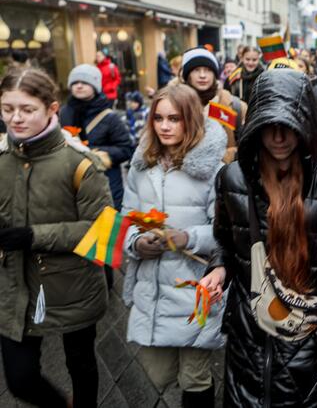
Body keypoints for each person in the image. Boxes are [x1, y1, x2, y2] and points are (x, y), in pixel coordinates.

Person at [200, 69, 317, 407]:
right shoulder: (233, 177)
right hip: (249, 340)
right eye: (268, 126)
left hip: (310, 339)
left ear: (306, 122)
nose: (278, 137)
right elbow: (224, 240)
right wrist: (219, 268)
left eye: (288, 126)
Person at [0, 67, 113, 408]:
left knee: (80, 364)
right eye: (7, 109)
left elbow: (103, 230)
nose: (16, 118)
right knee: (20, 380)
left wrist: (34, 235)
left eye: (27, 109)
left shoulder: (79, 163)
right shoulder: (2, 161)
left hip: (74, 285)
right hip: (14, 286)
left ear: (51, 109)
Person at [121, 83, 227, 407]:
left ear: (191, 120)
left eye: (175, 119)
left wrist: (188, 237)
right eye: (159, 118)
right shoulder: (142, 167)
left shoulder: (214, 172)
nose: (165, 126)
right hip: (151, 286)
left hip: (195, 286)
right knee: (158, 372)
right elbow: (126, 219)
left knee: (194, 378)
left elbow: (226, 232)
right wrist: (136, 242)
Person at [59, 63, 134, 210]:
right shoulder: (63, 112)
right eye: (75, 82)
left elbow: (126, 149)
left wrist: (95, 153)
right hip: (72, 182)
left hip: (106, 182)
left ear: (95, 86)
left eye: (84, 82)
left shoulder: (110, 117)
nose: (79, 86)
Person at [181, 47, 247, 163]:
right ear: (188, 75)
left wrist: (223, 157)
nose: (202, 75)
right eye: (196, 70)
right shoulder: (176, 107)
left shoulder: (236, 107)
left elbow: (249, 148)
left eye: (207, 70)